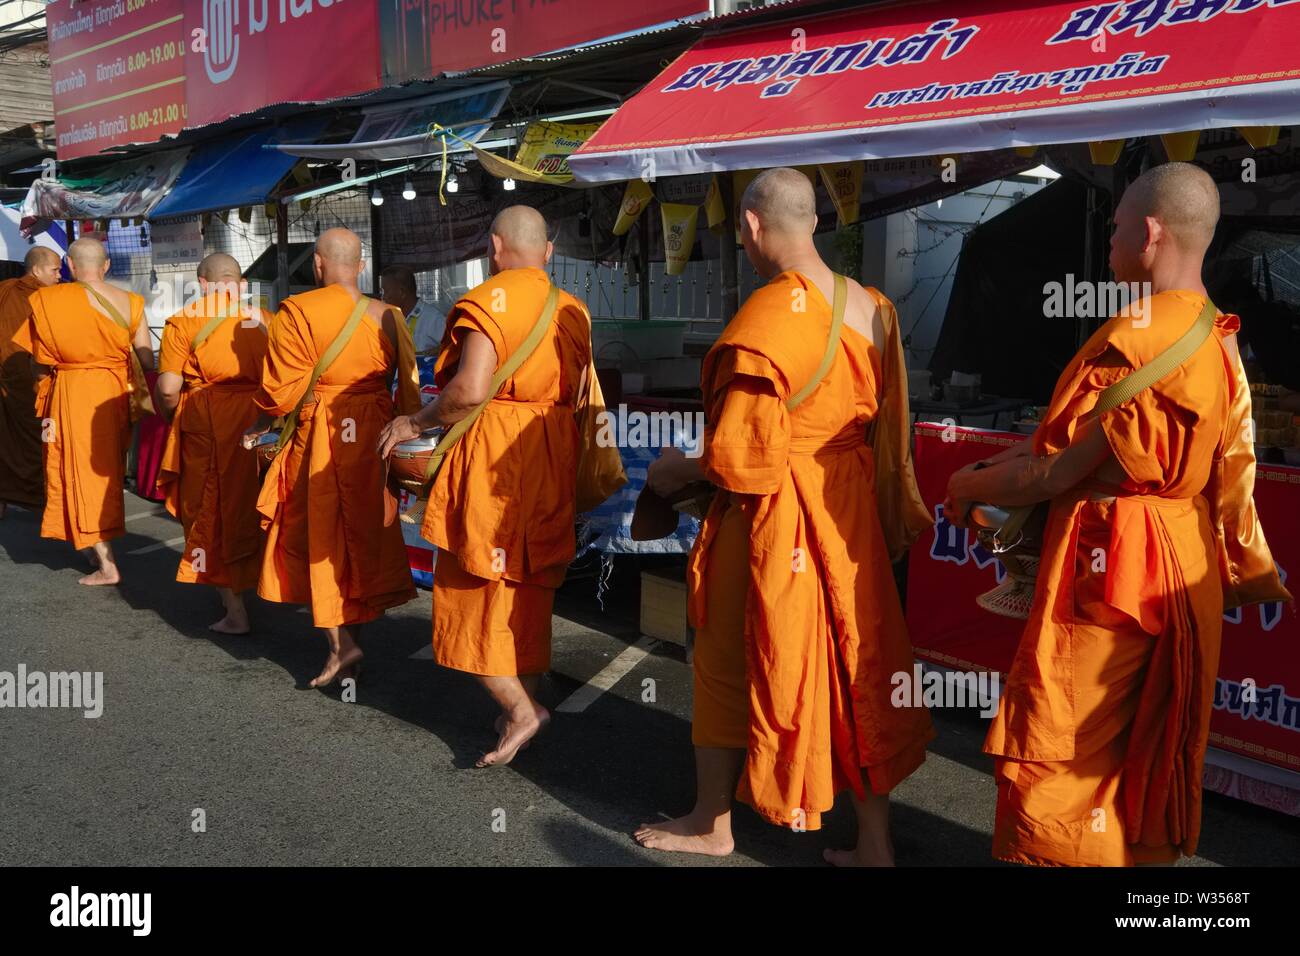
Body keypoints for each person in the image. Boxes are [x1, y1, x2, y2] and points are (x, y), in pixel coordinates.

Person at [944, 161, 1290, 866]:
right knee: (1142, 751)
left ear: (1153, 232)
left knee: (1065, 759)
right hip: (1179, 557)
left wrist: (961, 483)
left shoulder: (1139, 337)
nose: (1109, 236)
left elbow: (1055, 471)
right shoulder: (1216, 333)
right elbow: (1081, 449)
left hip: (1113, 566)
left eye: (1119, 223)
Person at [633, 168, 934, 864]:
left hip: (775, 516)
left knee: (727, 658)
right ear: (817, 224)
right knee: (857, 661)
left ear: (751, 227)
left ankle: (714, 821)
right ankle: (875, 842)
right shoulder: (873, 306)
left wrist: (672, 472)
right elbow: (890, 433)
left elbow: (740, 458)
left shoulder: (768, 316)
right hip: (847, 509)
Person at [377, 206, 592, 768]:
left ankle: (520, 709)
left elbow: (470, 390)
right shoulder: (574, 311)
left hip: (496, 454)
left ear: (495, 248)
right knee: (527, 577)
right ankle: (523, 701)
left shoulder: (489, 301)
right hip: (548, 454)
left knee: (473, 585)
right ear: (547, 251)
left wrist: (416, 422)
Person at [245, 228, 420, 687]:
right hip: (373, 433)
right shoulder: (389, 315)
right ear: (360, 266)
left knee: (321, 537)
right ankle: (350, 643)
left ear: (318, 265)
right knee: (359, 534)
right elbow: (410, 391)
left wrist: (264, 421)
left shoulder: (298, 312)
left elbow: (278, 395)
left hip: (320, 434)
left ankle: (342, 647)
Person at [13, 237, 153, 585]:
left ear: (70, 267)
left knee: (77, 472)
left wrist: (44, 383)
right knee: (104, 471)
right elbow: (146, 358)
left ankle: (106, 562)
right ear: (106, 266)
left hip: (71, 393)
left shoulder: (47, 300)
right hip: (114, 393)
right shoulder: (132, 302)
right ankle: (94, 540)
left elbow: (39, 363)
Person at [154, 253, 268, 634]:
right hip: (258, 419)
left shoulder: (185, 321)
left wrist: (176, 418)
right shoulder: (267, 321)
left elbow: (169, 388)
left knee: (209, 508)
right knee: (250, 502)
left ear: (203, 283)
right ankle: (260, 585)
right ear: (239, 283)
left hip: (207, 420)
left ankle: (234, 608)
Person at [0, 247, 61, 519]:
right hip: (27, 380)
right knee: (35, 439)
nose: (60, 276)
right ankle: (43, 495)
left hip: (12, 377)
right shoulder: (38, 296)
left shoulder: (6, 291)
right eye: (55, 270)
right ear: (36, 270)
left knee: (8, 441)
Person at [381, 264, 444, 354]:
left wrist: (422, 356)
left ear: (401, 292)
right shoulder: (391, 318)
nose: (384, 297)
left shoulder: (433, 319)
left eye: (386, 291)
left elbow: (453, 347)